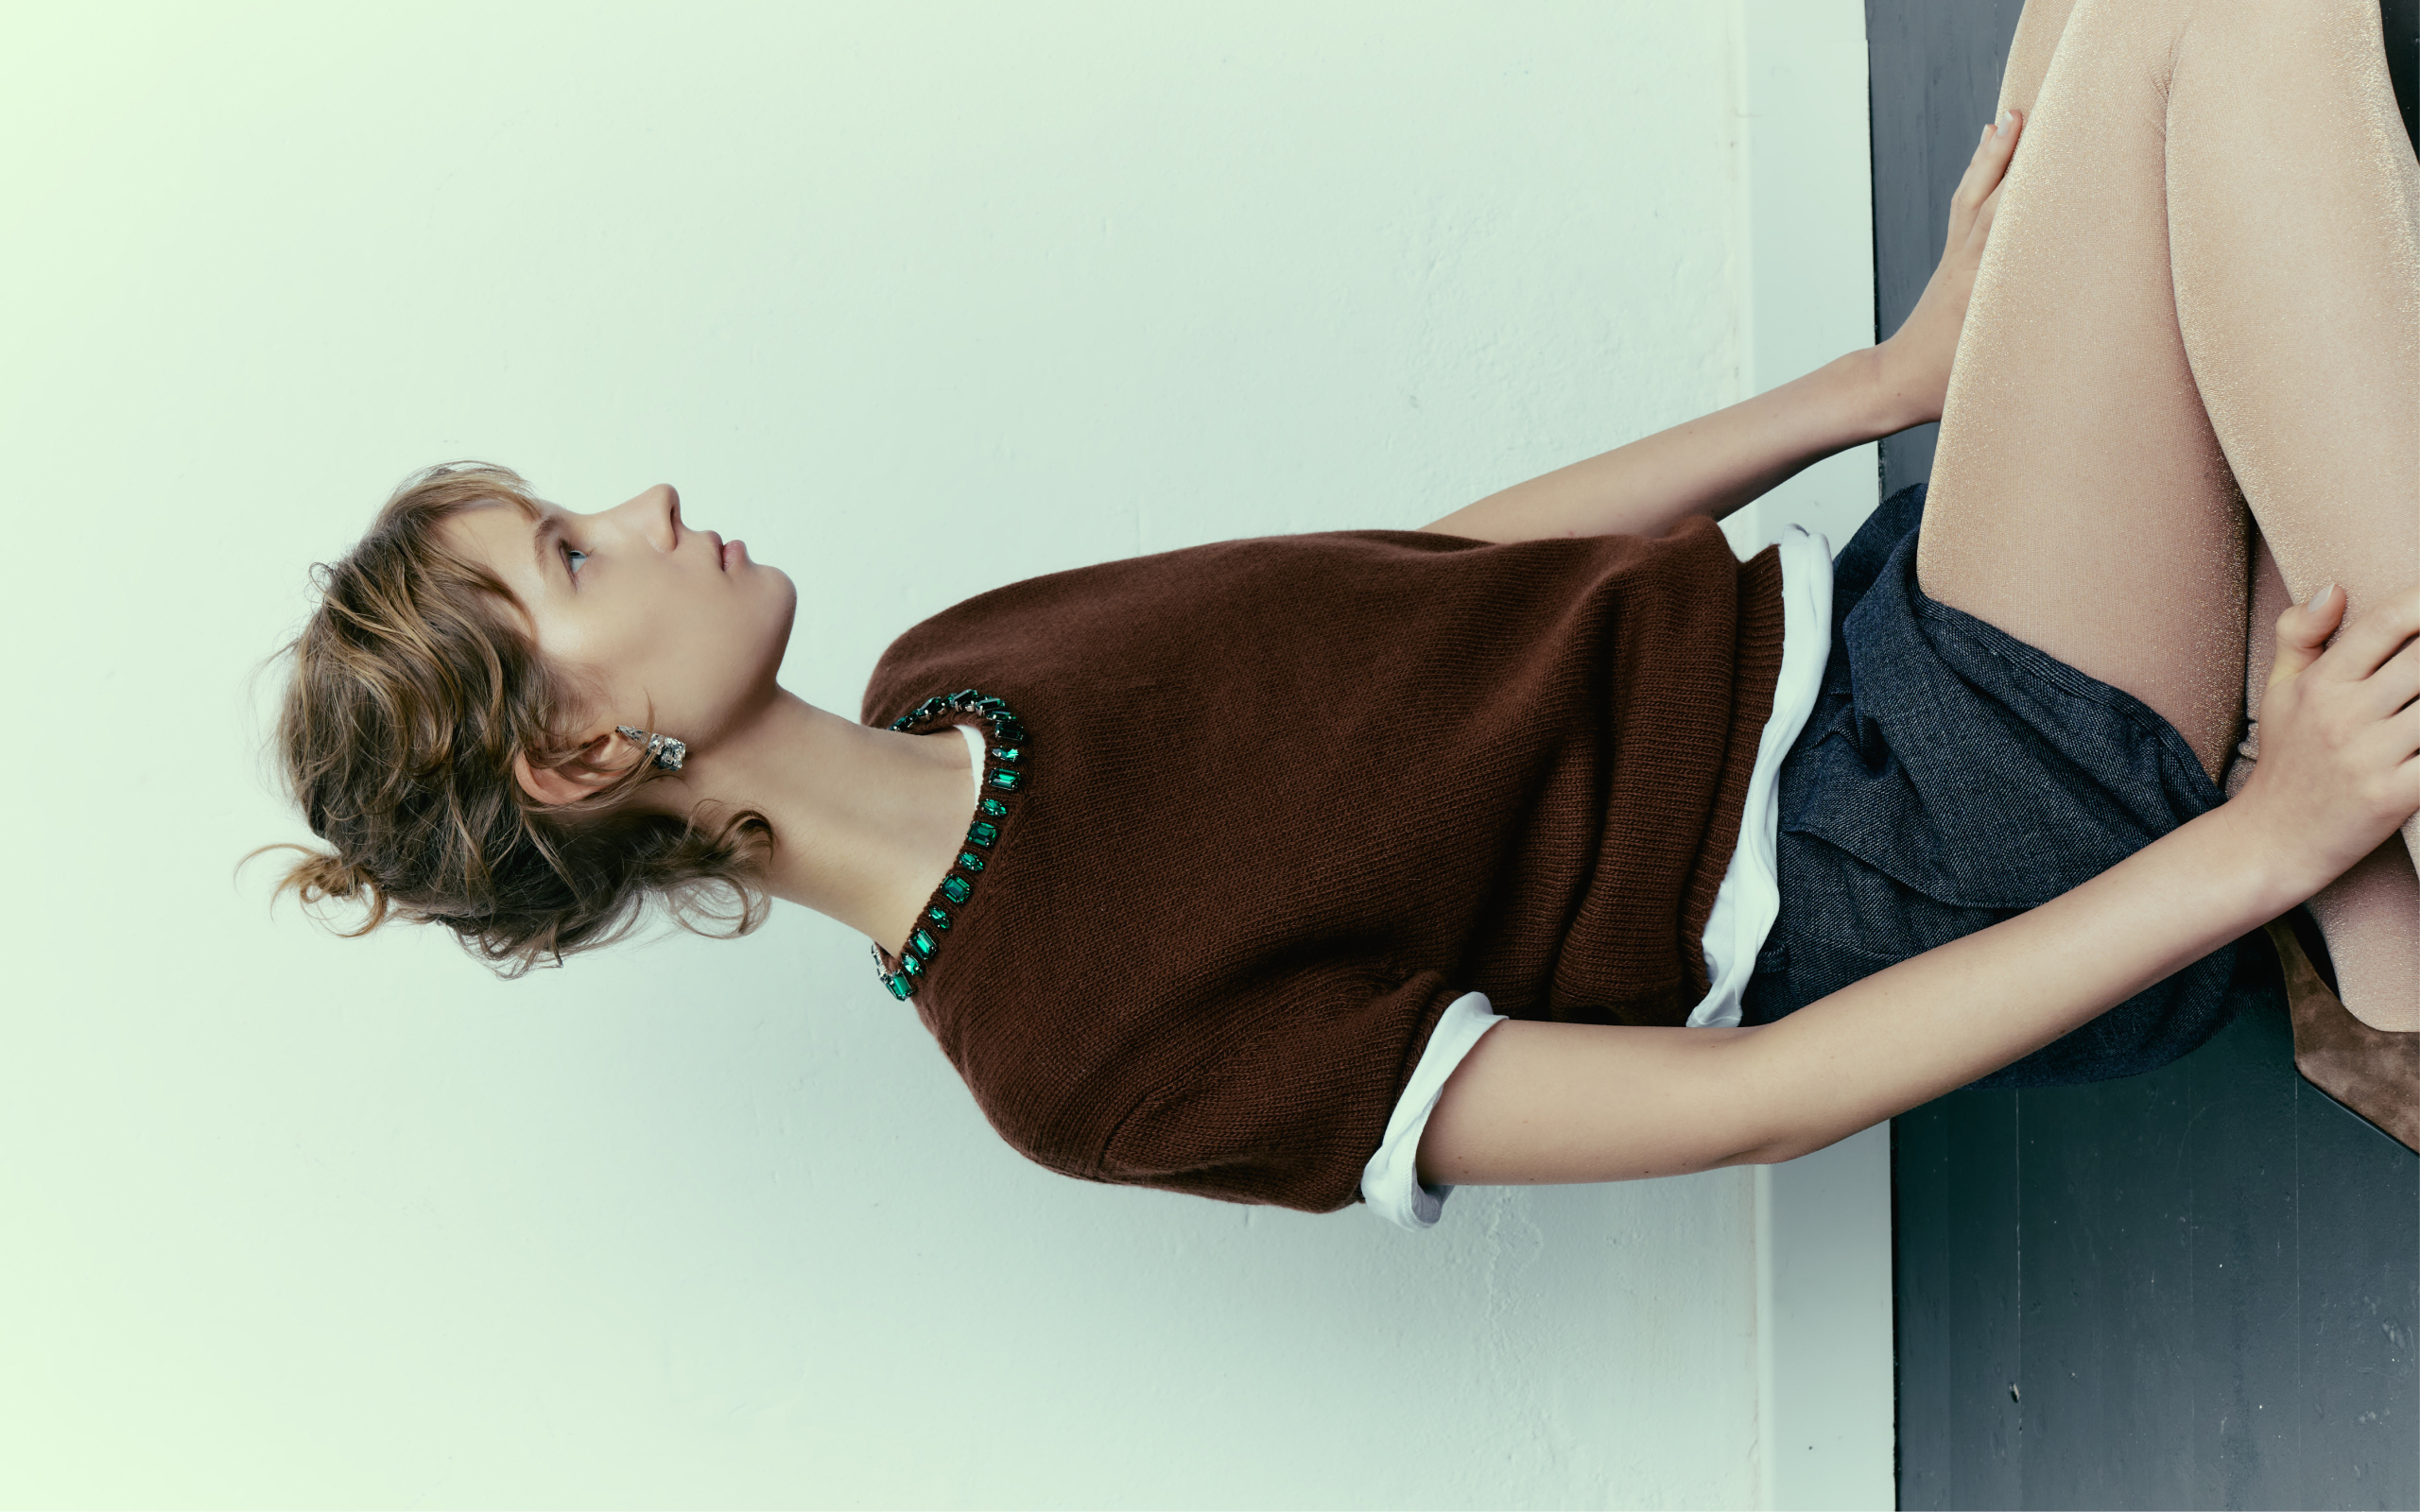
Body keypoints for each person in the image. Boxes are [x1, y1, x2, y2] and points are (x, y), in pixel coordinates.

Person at [261, 0, 2419, 1228]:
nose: (641, 506)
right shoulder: (1070, 1053)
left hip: (1866, 633)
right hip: (1915, 846)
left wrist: (1890, 375)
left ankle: (2372, 933)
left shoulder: (957, 669)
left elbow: (1438, 585)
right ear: (580, 749)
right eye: (571, 555)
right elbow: (1765, 1094)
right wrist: (2264, 836)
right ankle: (2368, 915)